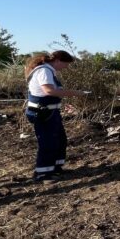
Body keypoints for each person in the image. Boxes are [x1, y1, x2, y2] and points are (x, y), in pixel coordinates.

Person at [25, 51, 88, 182]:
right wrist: (74, 93)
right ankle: (43, 173)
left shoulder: (49, 71)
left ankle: (55, 168)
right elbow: (49, 91)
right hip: (43, 113)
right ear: (58, 60)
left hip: (51, 113)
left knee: (60, 140)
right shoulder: (44, 71)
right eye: (66, 64)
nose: (66, 67)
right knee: (48, 142)